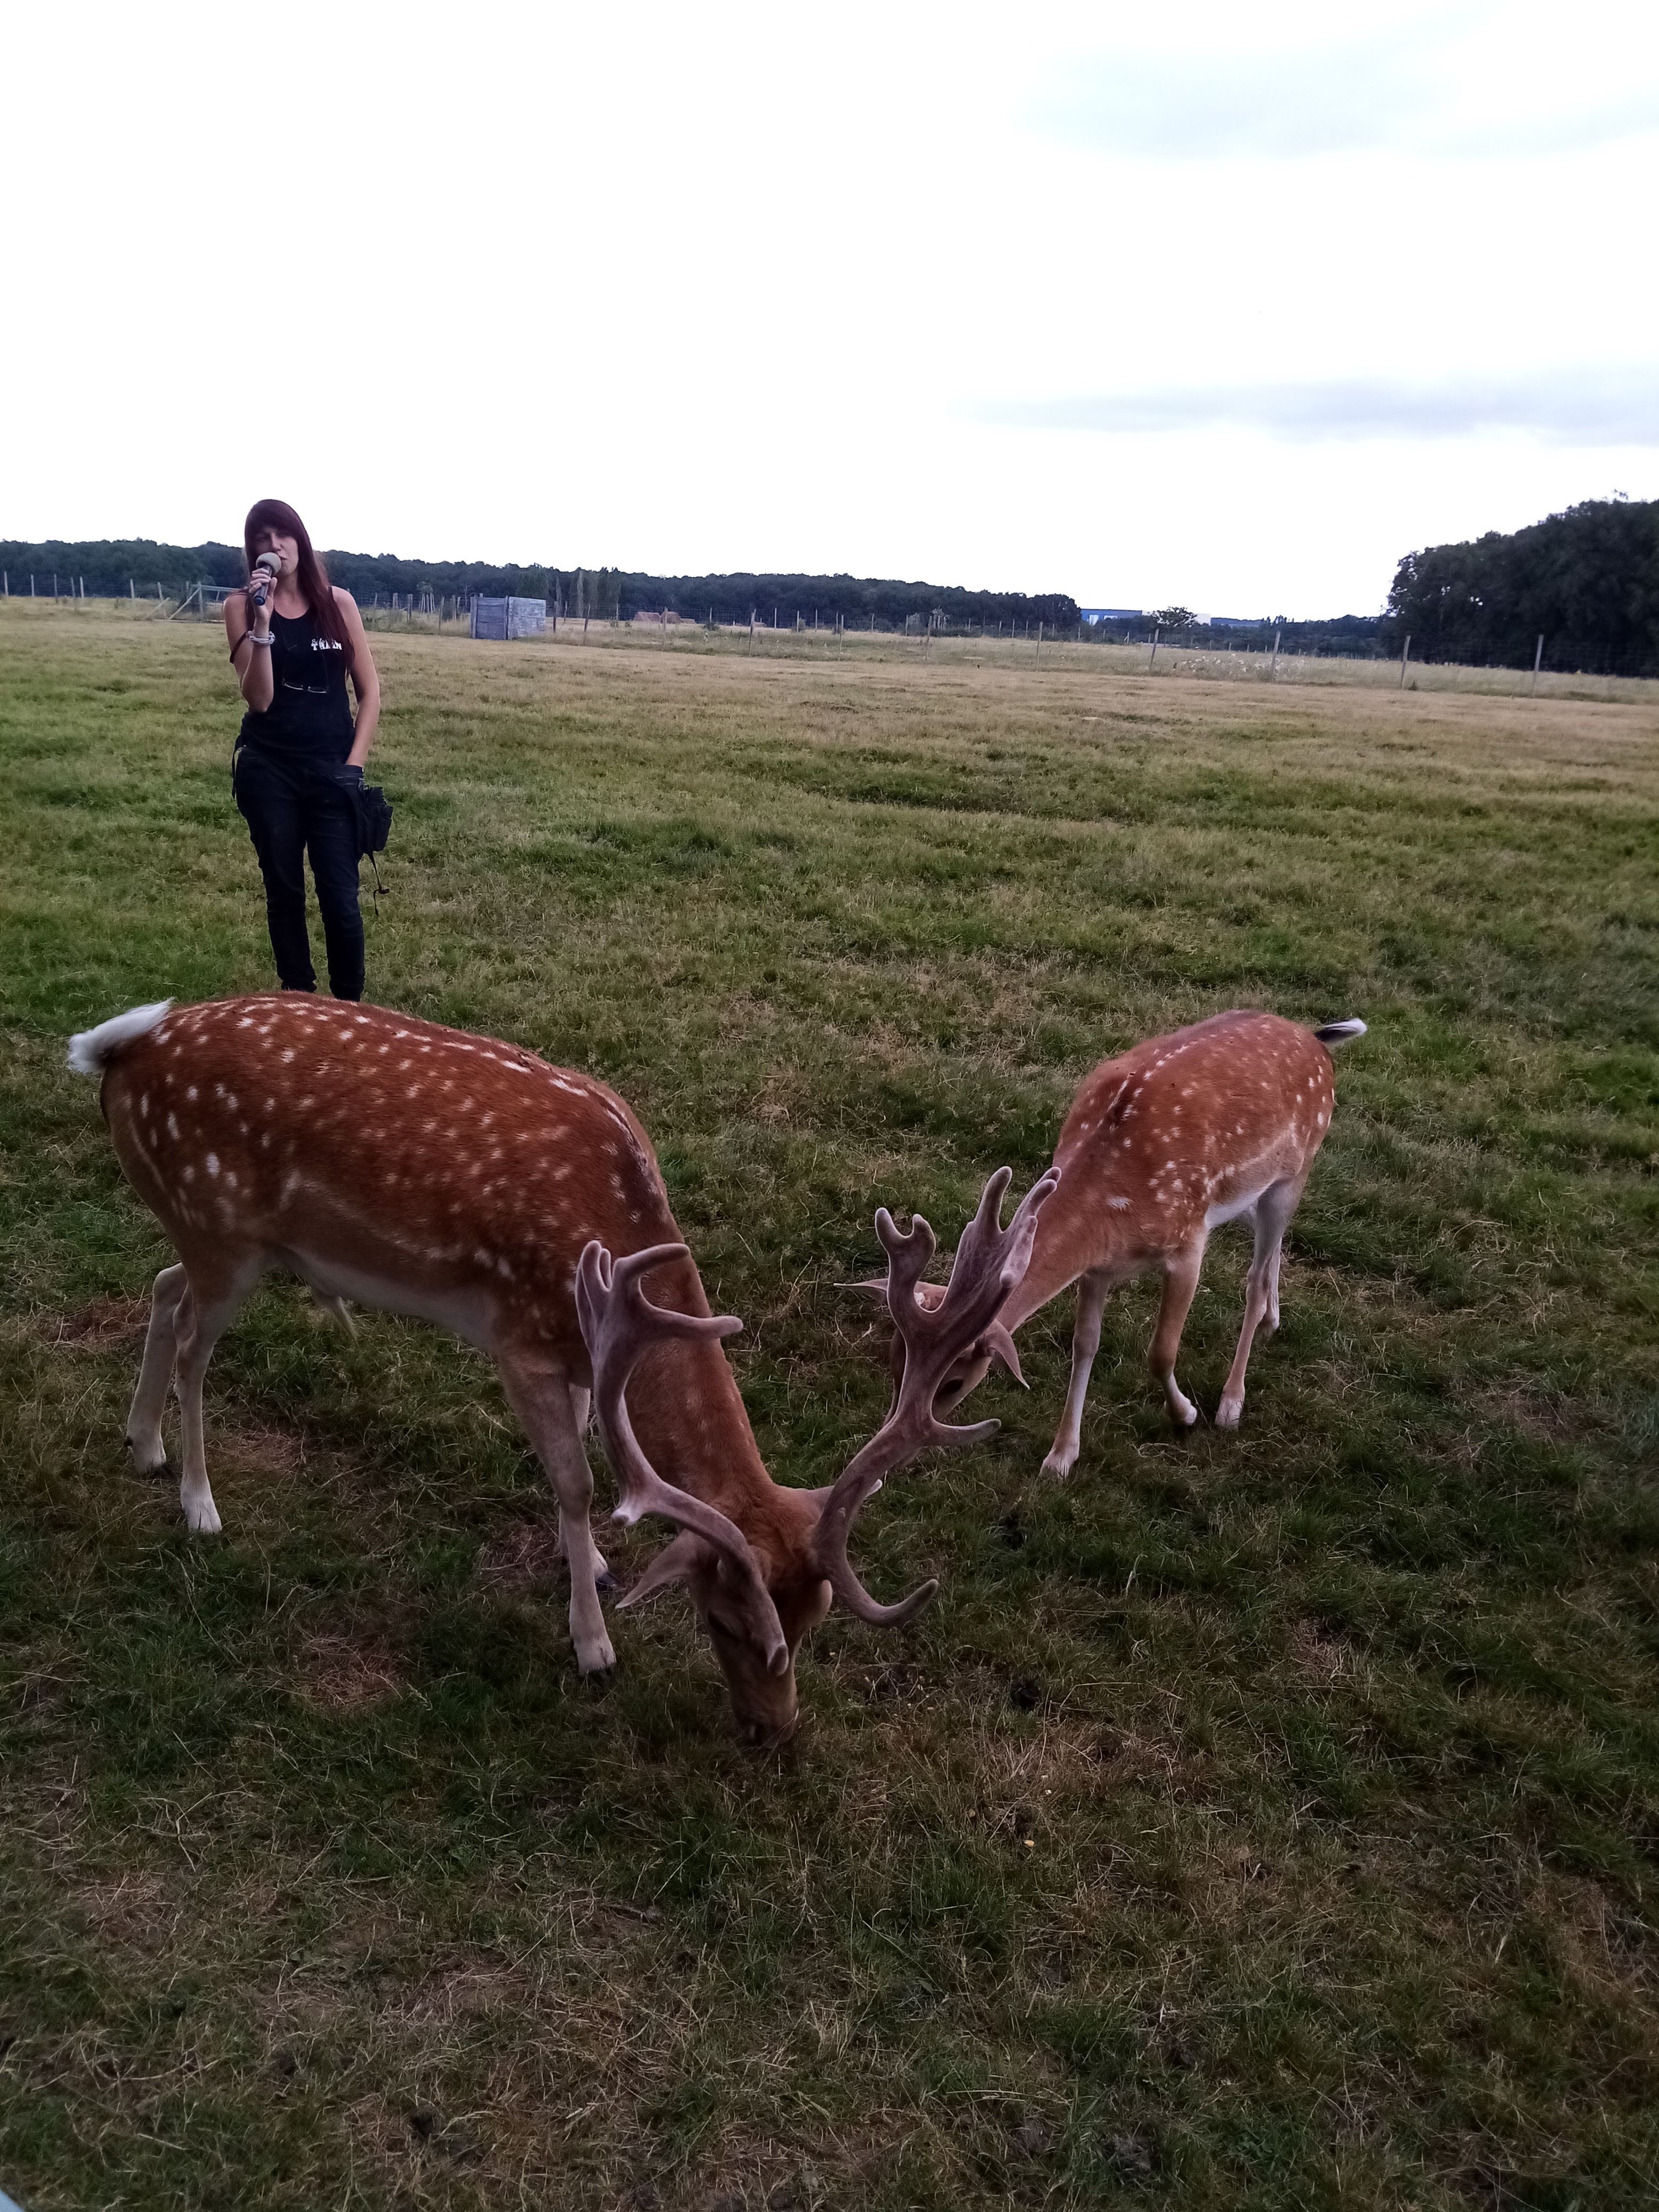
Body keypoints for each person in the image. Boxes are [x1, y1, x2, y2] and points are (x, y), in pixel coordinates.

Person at [226, 499, 381, 1000]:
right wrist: (263, 622)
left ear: (300, 539)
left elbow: (371, 693)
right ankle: (298, 1000)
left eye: (283, 535)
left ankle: (350, 1011)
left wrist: (353, 768)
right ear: (252, 552)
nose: (274, 546)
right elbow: (260, 699)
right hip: (269, 769)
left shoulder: (339, 603)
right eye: (262, 539)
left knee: (340, 898)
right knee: (285, 889)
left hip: (333, 770)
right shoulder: (239, 608)